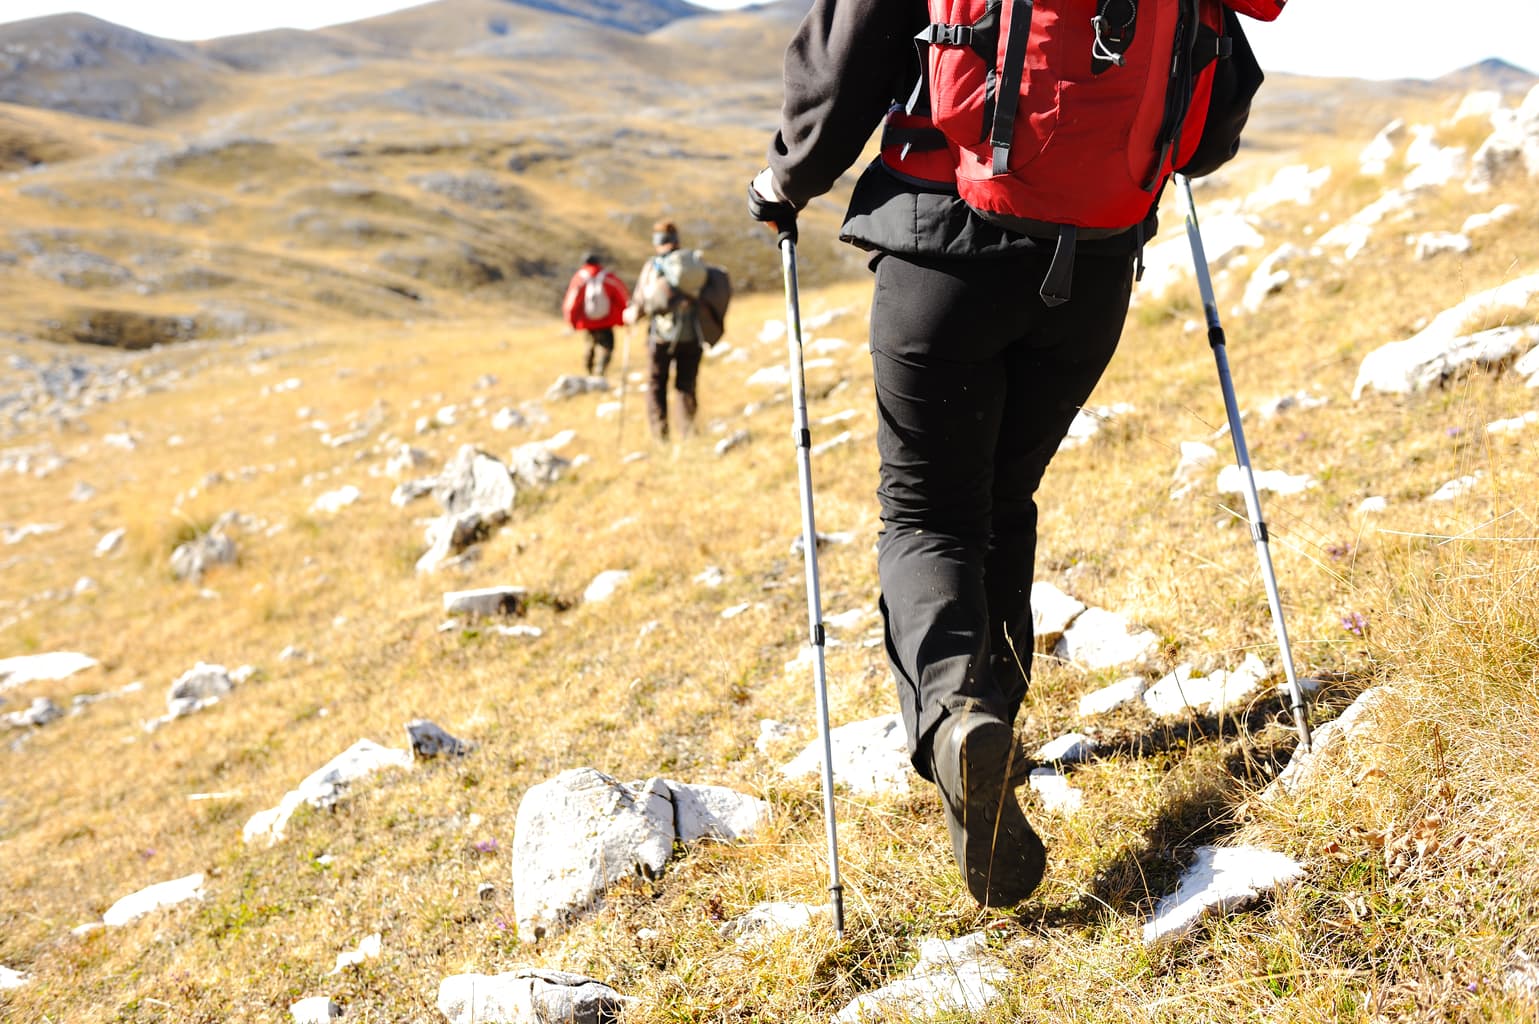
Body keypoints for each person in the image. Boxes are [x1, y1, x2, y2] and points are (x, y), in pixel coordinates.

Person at [747, 1, 1272, 908]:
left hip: (941, 256)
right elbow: (1215, 116)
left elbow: (845, 62)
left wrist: (784, 180)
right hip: (1092, 269)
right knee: (1003, 499)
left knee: (927, 514)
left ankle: (958, 715)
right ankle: (991, 731)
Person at [623, 221, 706, 441]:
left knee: (656, 384)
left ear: (658, 242)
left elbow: (641, 300)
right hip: (693, 334)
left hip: (661, 336)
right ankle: (688, 432)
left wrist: (630, 316)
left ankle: (661, 435)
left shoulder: (654, 265)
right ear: (677, 240)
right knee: (686, 384)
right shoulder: (693, 263)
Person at [560, 252, 629, 378]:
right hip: (606, 321)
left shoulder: (580, 278)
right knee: (607, 346)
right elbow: (621, 297)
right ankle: (600, 372)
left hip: (587, 321)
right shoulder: (607, 277)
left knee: (590, 344)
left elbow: (572, 301)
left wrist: (572, 320)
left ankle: (589, 371)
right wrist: (624, 316)